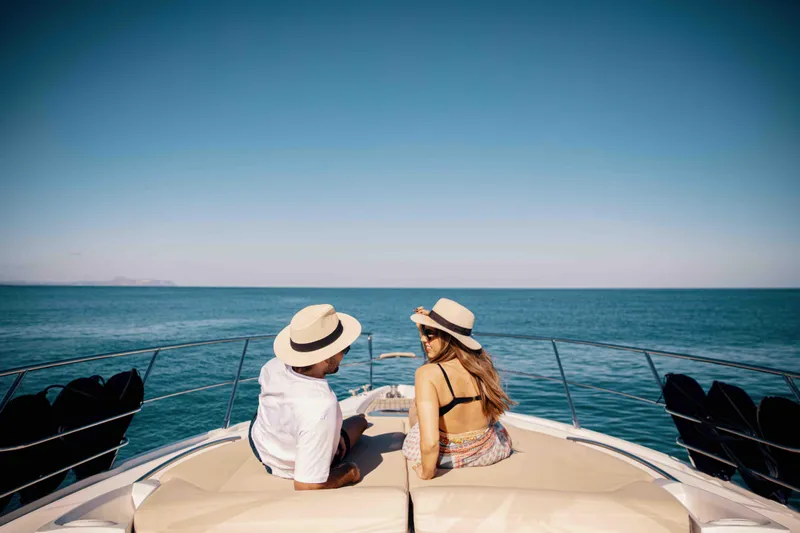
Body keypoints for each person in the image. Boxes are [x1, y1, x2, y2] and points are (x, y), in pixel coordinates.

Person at [250, 303, 369, 490]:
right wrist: (350, 471)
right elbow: (307, 485)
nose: (345, 355)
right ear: (325, 357)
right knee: (360, 421)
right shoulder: (321, 405)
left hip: (261, 444)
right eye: (344, 349)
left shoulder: (272, 365)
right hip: (289, 466)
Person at [403, 298, 515, 479]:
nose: (423, 339)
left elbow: (431, 444)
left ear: (449, 338)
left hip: (449, 456)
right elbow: (440, 351)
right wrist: (425, 329)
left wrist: (426, 472)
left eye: (429, 334)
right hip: (489, 450)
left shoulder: (427, 373)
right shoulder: (482, 366)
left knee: (416, 408)